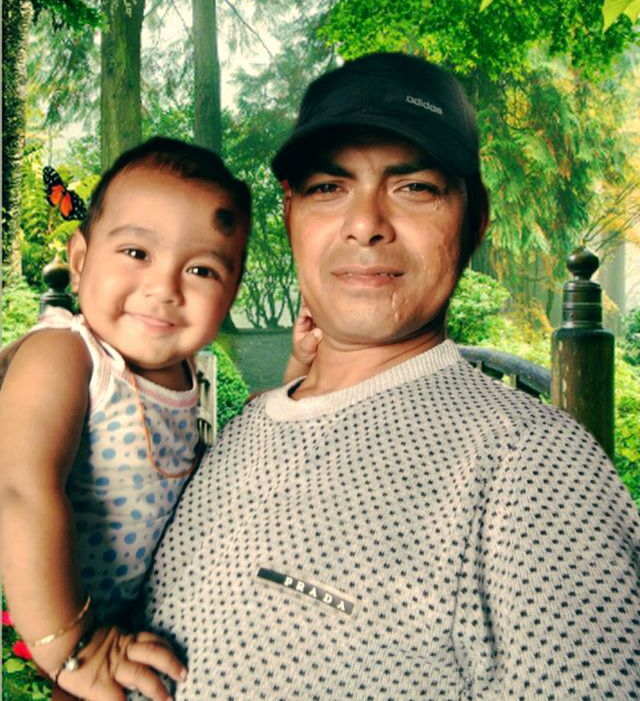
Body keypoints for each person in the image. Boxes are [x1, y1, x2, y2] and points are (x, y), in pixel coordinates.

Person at [140, 54, 640, 699]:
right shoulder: (244, 430)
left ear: (474, 222)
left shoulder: (531, 462)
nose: (366, 224)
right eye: (329, 188)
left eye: (416, 188)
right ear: (290, 215)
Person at [0, 137, 250, 701]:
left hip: (132, 620)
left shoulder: (186, 371)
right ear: (80, 260)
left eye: (202, 269)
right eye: (137, 253)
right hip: (52, 618)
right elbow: (20, 488)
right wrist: (71, 647)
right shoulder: (66, 355)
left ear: (230, 293)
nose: (164, 289)